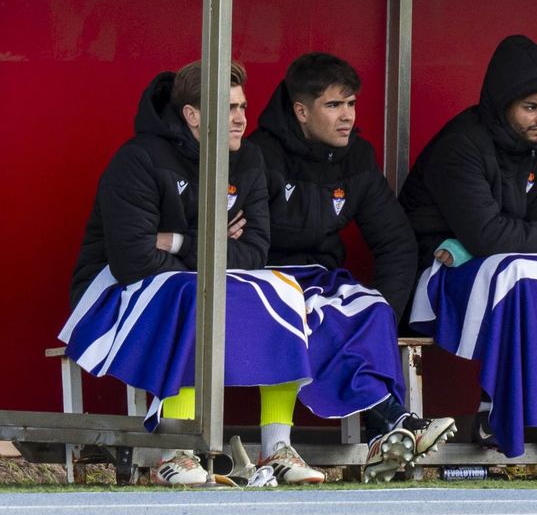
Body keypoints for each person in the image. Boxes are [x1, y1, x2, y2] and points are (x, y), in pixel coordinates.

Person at [68, 60, 322, 486]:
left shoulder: (249, 159)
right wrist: (212, 244)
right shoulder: (139, 159)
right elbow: (134, 261)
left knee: (281, 288)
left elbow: (254, 253)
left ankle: (276, 448)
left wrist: (178, 240)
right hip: (111, 295)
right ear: (193, 115)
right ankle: (177, 451)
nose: (242, 118)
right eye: (230, 108)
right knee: (190, 290)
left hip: (182, 282)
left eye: (243, 106)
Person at [248, 52, 454, 481]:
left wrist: (386, 316)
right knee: (318, 317)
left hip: (323, 279)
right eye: (334, 105)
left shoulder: (356, 157)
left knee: (372, 307)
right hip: (265, 281)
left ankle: (389, 430)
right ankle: (393, 422)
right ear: (301, 111)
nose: (348, 116)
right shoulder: (257, 156)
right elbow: (245, 242)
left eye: (352, 104)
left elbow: (396, 241)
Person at [400, 34, 537, 445]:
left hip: (491, 261)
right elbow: (491, 235)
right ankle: (494, 409)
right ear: (502, 104)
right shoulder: (461, 145)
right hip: (435, 270)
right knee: (518, 271)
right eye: (531, 107)